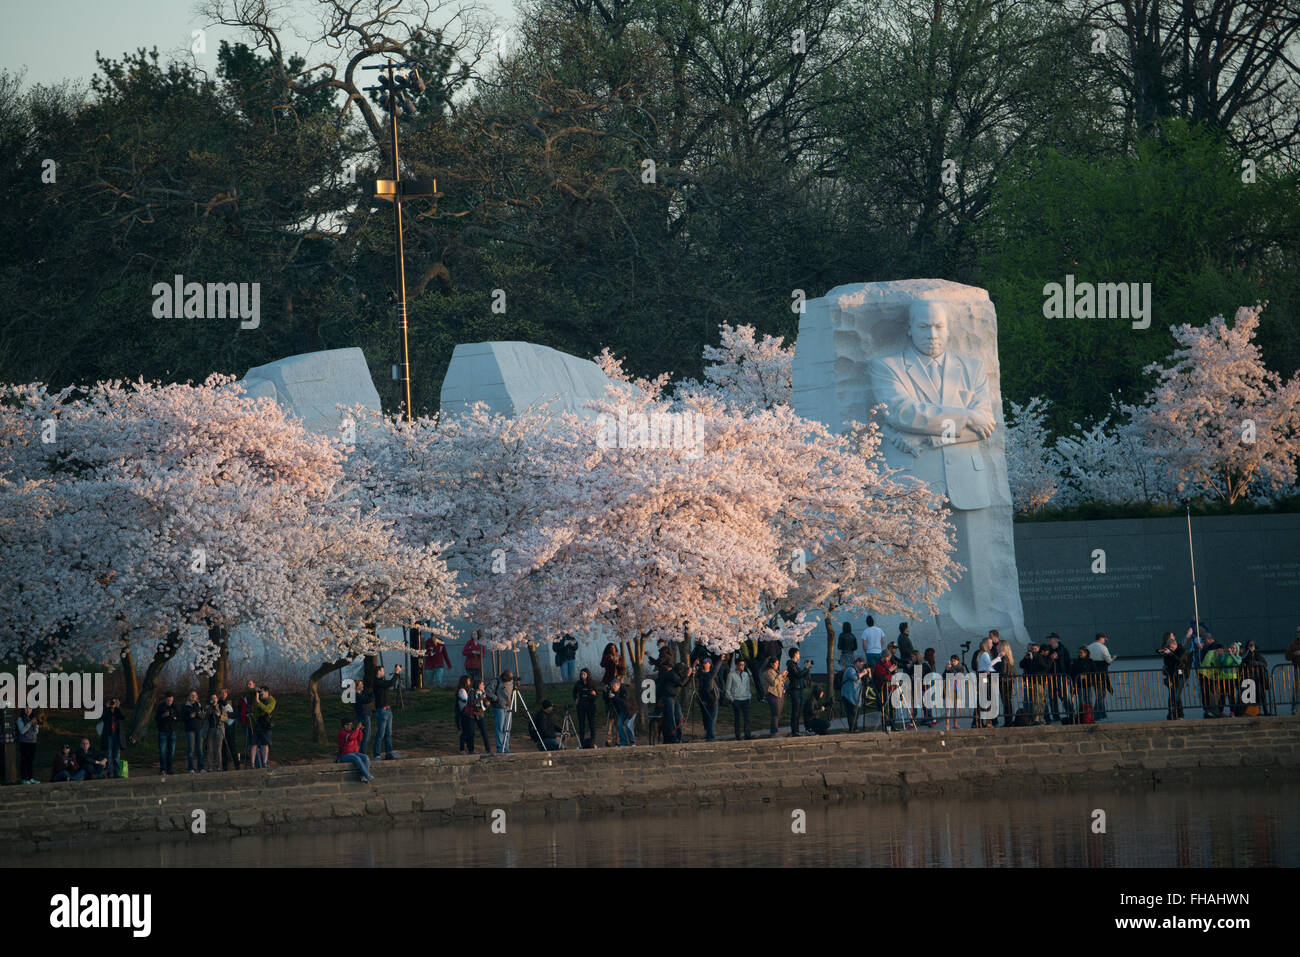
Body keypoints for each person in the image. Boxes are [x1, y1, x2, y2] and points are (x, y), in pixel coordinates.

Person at [371, 664, 402, 760]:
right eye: (382, 670)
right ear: (378, 672)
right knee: (381, 733)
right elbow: (390, 683)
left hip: (388, 710)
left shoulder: (382, 682)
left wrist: (396, 674)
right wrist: (396, 673)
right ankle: (377, 754)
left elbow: (390, 683)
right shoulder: (376, 682)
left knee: (389, 733)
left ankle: (389, 753)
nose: (384, 672)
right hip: (382, 710)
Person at [1156, 632, 1189, 720]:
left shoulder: (1181, 650)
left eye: (1172, 647)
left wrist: (1171, 654)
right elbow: (1166, 663)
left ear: (1175, 645)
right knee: (1173, 695)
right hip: (1171, 675)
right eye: (1170, 648)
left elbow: (1180, 661)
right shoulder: (1168, 652)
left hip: (1180, 675)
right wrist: (1168, 655)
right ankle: (1174, 714)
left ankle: (1178, 714)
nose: (1171, 649)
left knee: (1176, 695)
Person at [1041, 634, 1070, 723]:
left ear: (1056, 639)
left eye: (1051, 638)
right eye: (1048, 638)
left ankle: (1070, 713)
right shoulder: (1048, 650)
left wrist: (1068, 676)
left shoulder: (1063, 649)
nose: (1049, 640)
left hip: (1061, 675)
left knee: (1063, 696)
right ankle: (1055, 715)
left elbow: (1068, 663)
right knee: (1052, 697)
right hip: (1050, 677)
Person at [1085, 633, 1114, 719]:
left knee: (1098, 694)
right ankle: (1096, 714)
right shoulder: (1103, 647)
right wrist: (1114, 658)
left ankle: (1102, 714)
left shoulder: (1089, 647)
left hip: (1092, 674)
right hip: (1102, 674)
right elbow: (1108, 661)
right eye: (1104, 639)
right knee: (1101, 695)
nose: (1105, 641)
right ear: (1101, 638)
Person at [661, 661, 691, 743]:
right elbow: (681, 683)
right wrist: (688, 675)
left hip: (674, 698)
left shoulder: (676, 674)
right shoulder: (672, 674)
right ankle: (673, 738)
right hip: (668, 697)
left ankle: (679, 737)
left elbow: (684, 683)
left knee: (679, 717)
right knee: (672, 718)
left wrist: (690, 676)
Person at [726, 657, 755, 740]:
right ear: (736, 665)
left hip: (746, 699)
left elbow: (748, 687)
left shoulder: (746, 674)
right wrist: (732, 699)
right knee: (737, 719)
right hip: (736, 699)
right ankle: (738, 736)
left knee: (747, 719)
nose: (742, 667)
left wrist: (749, 696)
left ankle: (747, 735)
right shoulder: (731, 675)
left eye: (743, 665)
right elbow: (727, 689)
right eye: (740, 665)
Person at [786, 648, 812, 736]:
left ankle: (796, 730)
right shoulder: (791, 664)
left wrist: (806, 669)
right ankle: (795, 731)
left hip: (799, 690)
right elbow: (798, 675)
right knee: (795, 711)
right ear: (794, 654)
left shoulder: (795, 664)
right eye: (798, 653)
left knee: (798, 711)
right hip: (795, 690)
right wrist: (806, 668)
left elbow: (801, 675)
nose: (799, 655)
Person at [1240, 641, 1270, 715]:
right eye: (1250, 645)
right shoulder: (1246, 654)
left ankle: (1265, 711)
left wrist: (1257, 663)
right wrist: (1249, 652)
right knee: (1251, 697)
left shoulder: (1257, 654)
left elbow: (1265, 663)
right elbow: (1245, 661)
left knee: (1261, 695)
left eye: (1252, 645)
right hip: (1249, 678)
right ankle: (1254, 712)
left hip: (1259, 677)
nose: (1251, 647)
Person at [490, 670, 516, 754]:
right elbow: (488, 691)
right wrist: (496, 698)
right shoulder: (496, 681)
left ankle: (506, 747)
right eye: (508, 678)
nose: (509, 680)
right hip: (499, 707)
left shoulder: (511, 681)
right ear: (504, 677)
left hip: (508, 707)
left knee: (507, 728)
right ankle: (500, 748)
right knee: (500, 728)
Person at [573, 667, 599, 748]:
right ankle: (581, 743)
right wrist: (576, 699)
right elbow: (574, 692)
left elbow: (596, 693)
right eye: (581, 674)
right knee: (581, 724)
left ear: (587, 675)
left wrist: (594, 694)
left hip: (590, 705)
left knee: (592, 724)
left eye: (584, 674)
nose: (582, 676)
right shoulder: (578, 683)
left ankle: (593, 742)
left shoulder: (592, 683)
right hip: (581, 705)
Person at [696, 657, 721, 741]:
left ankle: (709, 734)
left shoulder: (704, 674)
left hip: (707, 699)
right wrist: (720, 659)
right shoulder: (708, 675)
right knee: (711, 718)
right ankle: (710, 736)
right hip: (710, 700)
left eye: (706, 662)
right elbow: (716, 669)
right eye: (704, 662)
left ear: (710, 664)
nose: (704, 664)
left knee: (708, 718)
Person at [605, 677, 635, 746]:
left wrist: (614, 697)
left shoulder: (624, 691)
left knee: (628, 726)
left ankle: (632, 742)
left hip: (631, 710)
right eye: (612, 686)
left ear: (618, 685)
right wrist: (607, 693)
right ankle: (623, 742)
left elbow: (624, 702)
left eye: (615, 686)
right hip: (622, 711)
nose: (613, 687)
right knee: (619, 725)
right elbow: (608, 700)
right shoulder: (613, 692)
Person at [100, 697, 125, 777]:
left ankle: (117, 773)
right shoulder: (107, 712)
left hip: (117, 736)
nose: (112, 704)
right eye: (111, 702)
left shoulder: (118, 711)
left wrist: (118, 706)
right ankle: (110, 773)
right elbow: (103, 718)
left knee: (116, 755)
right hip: (109, 736)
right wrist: (106, 707)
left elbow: (123, 716)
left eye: (114, 702)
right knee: (109, 755)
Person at [761, 656, 786, 738]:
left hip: (779, 694)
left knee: (777, 714)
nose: (777, 665)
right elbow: (773, 683)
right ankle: (774, 733)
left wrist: (784, 676)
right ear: (771, 664)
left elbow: (780, 682)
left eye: (778, 663)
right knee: (775, 714)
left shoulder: (776, 672)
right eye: (776, 663)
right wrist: (780, 675)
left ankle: (775, 731)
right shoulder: (768, 672)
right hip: (772, 694)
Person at [156, 692, 180, 776]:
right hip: (163, 731)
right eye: (168, 700)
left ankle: (170, 769)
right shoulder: (160, 707)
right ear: (165, 699)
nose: (170, 701)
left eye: (171, 700)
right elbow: (156, 718)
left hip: (173, 731)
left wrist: (174, 718)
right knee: (162, 751)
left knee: (171, 751)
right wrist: (163, 715)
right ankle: (162, 769)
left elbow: (179, 717)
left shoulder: (175, 706)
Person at [466, 678, 493, 753]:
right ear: (478, 685)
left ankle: (488, 749)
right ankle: (471, 750)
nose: (483, 686)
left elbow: (484, 704)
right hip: (471, 714)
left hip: (480, 714)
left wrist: (487, 704)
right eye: (482, 684)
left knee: (484, 732)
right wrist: (480, 698)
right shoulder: (472, 692)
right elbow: (471, 702)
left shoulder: (483, 692)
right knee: (471, 732)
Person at [840, 658, 867, 732]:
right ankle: (853, 729)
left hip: (855, 697)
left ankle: (854, 729)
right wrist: (863, 673)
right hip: (848, 696)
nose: (863, 666)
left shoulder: (858, 671)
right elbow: (855, 677)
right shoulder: (850, 669)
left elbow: (866, 681)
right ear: (857, 663)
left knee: (856, 713)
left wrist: (868, 673)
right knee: (851, 713)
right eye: (862, 664)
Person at [251, 686, 276, 768]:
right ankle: (253, 764)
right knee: (254, 744)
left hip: (266, 724)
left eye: (261, 692)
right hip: (258, 723)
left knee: (265, 744)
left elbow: (268, 709)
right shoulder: (259, 698)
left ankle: (265, 763)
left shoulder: (271, 700)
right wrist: (256, 696)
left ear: (267, 692)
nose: (260, 694)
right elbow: (255, 708)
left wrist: (259, 702)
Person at [995, 639, 1017, 727]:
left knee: (1006, 703)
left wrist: (994, 673)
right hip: (1008, 682)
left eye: (999, 645)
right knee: (1008, 702)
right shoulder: (1009, 657)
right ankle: (1009, 720)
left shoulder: (1004, 658)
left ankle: (1008, 721)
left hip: (1004, 682)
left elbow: (1003, 671)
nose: (997, 647)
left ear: (1002, 647)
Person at [182, 690, 205, 773]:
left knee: (200, 750)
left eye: (194, 695)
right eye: (192, 695)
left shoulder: (199, 705)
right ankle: (191, 768)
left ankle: (201, 768)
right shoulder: (185, 706)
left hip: (199, 729)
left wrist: (199, 715)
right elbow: (182, 718)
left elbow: (203, 716)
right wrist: (189, 716)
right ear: (189, 696)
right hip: (190, 730)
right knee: (191, 750)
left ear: (197, 697)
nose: (193, 696)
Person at [202, 694, 227, 771]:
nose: (214, 699)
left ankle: (219, 766)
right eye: (212, 698)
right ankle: (210, 767)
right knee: (210, 749)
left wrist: (219, 715)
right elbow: (203, 717)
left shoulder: (221, 707)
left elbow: (226, 718)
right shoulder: (208, 708)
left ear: (217, 699)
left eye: (215, 698)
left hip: (219, 729)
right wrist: (206, 710)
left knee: (218, 749)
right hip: (210, 729)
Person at [217, 688, 240, 770]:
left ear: (227, 693)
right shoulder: (218, 702)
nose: (223, 694)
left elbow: (236, 714)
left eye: (225, 692)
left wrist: (226, 715)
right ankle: (224, 767)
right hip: (222, 728)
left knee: (232, 747)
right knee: (223, 749)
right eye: (221, 692)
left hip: (231, 728)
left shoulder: (231, 702)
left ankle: (237, 766)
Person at [942, 655, 967, 730]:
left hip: (956, 688)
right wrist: (946, 669)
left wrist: (950, 670)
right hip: (949, 687)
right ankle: (947, 723)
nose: (953, 662)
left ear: (958, 661)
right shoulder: (949, 667)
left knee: (955, 707)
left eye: (954, 661)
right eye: (952, 661)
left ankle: (955, 723)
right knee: (948, 706)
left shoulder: (960, 668)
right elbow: (943, 676)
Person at [16, 706, 39, 784]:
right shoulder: (20, 719)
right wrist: (30, 723)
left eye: (30, 708)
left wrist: (36, 725)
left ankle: (31, 778)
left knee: (30, 761)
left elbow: (36, 731)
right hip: (24, 742)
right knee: (24, 761)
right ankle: (24, 779)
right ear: (23, 709)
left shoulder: (33, 718)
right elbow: (22, 731)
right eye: (26, 708)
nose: (28, 710)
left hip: (33, 742)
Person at [1069, 646, 1093, 719]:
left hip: (1088, 684)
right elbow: (1072, 672)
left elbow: (1094, 671)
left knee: (1088, 700)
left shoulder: (1090, 661)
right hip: (1079, 685)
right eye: (1078, 652)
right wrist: (1072, 683)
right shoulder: (1076, 661)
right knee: (1081, 701)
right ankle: (1082, 716)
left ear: (1085, 653)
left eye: (1081, 652)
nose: (1079, 654)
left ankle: (1090, 716)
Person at [240, 680, 257, 760]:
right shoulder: (244, 697)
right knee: (247, 739)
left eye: (250, 684)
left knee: (254, 739)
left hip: (254, 721)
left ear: (254, 685)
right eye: (248, 684)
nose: (248, 685)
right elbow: (240, 707)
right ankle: (248, 756)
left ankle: (255, 757)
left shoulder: (256, 694)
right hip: (246, 720)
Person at [455, 675, 472, 752]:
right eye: (468, 681)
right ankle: (462, 748)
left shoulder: (466, 690)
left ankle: (469, 748)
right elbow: (465, 700)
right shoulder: (462, 691)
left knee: (468, 731)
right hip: (464, 713)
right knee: (465, 731)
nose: (470, 682)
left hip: (467, 713)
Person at [1287, 627, 1300, 715]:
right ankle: (1294, 709)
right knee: (1297, 689)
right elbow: (1287, 656)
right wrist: (1295, 653)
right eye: (1298, 632)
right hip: (1298, 668)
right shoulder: (1293, 644)